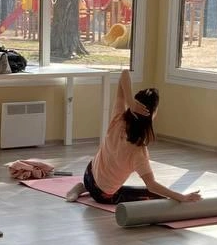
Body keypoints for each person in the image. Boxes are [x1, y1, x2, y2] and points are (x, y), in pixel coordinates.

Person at [64, 70, 201, 205]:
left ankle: (83, 187)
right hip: (102, 196)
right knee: (153, 194)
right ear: (152, 114)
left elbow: (124, 73)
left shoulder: (118, 119)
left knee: (109, 180)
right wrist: (181, 197)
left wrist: (129, 101)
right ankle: (85, 189)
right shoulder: (138, 151)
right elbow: (151, 185)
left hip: (88, 174)